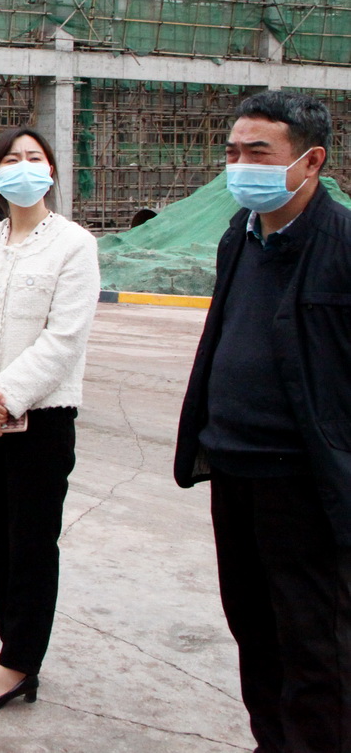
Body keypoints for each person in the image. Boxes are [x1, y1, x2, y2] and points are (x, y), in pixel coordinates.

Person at [173, 89, 351, 753]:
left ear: (311, 161)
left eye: (257, 152)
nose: (240, 166)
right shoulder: (238, 237)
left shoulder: (341, 245)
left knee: (314, 644)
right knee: (253, 628)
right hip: (233, 468)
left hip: (304, 482)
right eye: (231, 152)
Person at [0, 127, 99, 710]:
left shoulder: (74, 245)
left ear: (51, 171)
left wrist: (2, 398)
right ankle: (12, 646)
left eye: (35, 157)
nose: (24, 167)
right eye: (12, 159)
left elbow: (65, 337)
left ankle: (19, 666)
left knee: (31, 544)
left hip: (41, 419)